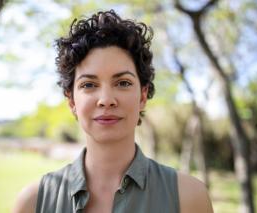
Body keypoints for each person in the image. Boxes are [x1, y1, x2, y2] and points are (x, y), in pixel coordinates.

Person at [13, 10, 213, 213]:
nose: (106, 100)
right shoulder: (32, 203)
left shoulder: (188, 197)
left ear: (142, 96)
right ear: (71, 101)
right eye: (89, 84)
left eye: (123, 82)